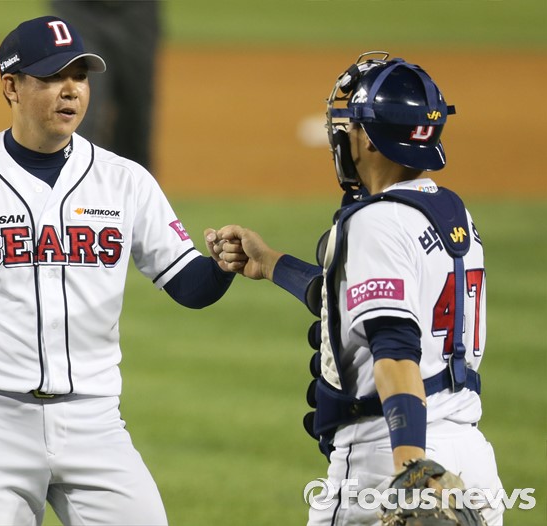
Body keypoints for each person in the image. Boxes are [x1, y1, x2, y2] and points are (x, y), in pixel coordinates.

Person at [0, 16, 235, 525]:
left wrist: (224, 265)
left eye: (80, 76)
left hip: (95, 421)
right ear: (11, 86)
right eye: (53, 77)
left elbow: (188, 285)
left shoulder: (126, 181)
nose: (71, 90)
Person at [208, 52, 504, 525]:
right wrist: (271, 263)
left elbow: (395, 349)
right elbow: (351, 302)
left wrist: (412, 470)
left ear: (368, 137)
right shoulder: (451, 214)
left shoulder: (374, 222)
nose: (342, 136)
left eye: (349, 126)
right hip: (471, 461)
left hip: (388, 456)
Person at [50, 0, 161, 172]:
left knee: (135, 115)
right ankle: (74, 183)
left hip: (136, 11)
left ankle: (132, 185)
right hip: (78, 10)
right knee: (80, 104)